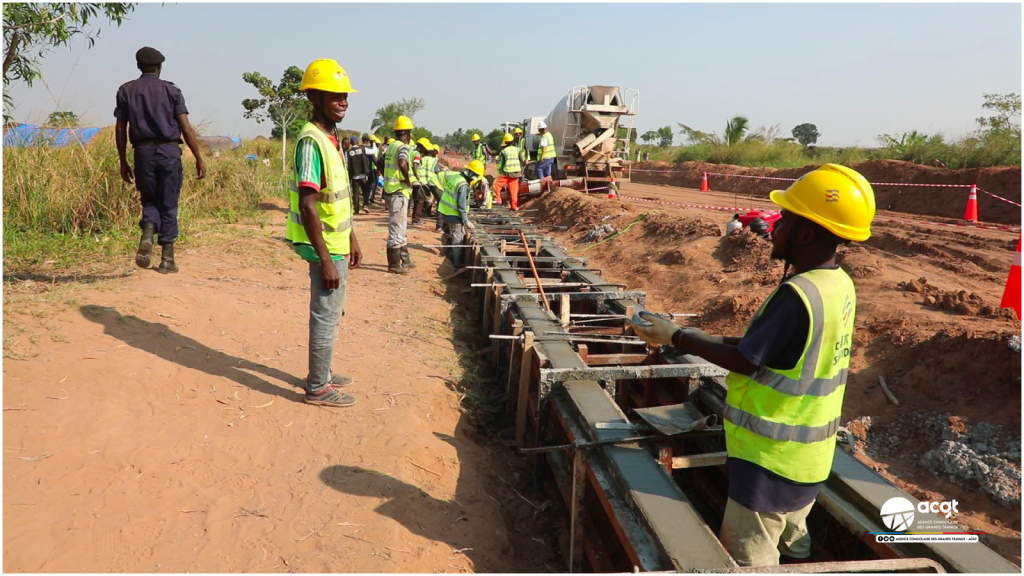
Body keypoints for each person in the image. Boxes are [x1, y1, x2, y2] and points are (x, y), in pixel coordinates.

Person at [630, 164, 876, 567]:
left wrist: (675, 338)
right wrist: (688, 333)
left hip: (770, 459)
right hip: (810, 456)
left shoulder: (797, 294)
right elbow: (770, 350)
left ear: (807, 233)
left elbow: (746, 360)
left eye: (784, 220)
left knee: (750, 558)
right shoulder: (837, 284)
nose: (772, 227)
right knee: (795, 543)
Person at [287, 58, 364, 407]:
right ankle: (318, 387)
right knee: (325, 314)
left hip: (337, 242)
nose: (343, 102)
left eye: (345, 96)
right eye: (335, 96)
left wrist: (352, 238)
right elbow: (309, 204)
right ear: (315, 98)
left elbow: (338, 197)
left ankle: (324, 371)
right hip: (324, 248)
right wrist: (326, 260)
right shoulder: (310, 141)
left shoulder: (331, 139)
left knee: (334, 313)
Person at [115, 46, 206, 274]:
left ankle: (148, 228)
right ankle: (167, 259)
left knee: (149, 201)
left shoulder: (126, 90)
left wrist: (123, 161)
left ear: (139, 66)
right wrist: (198, 157)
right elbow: (185, 127)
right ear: (159, 67)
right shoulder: (171, 91)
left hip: (142, 153)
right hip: (169, 153)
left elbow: (120, 128)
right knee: (169, 203)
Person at [380, 116, 416, 274]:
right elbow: (402, 164)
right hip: (398, 191)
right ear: (407, 133)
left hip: (390, 189)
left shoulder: (391, 146)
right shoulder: (402, 147)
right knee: (397, 227)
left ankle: (404, 259)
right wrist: (407, 180)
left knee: (401, 226)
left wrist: (385, 175)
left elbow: (378, 161)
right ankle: (394, 264)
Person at [437, 160, 484, 270]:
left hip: (446, 211)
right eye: (476, 176)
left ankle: (451, 256)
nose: (475, 178)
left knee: (455, 236)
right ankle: (457, 265)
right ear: (471, 173)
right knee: (458, 240)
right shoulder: (463, 184)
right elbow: (461, 205)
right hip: (453, 214)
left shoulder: (456, 177)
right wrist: (465, 220)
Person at [493, 133, 523, 210]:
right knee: (514, 191)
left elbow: (501, 163)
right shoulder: (518, 149)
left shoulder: (504, 151)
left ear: (505, 142)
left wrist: (500, 172)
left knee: (496, 184)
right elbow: (522, 160)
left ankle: (498, 199)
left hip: (507, 172)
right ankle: (514, 206)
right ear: (512, 141)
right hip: (516, 173)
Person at [347, 135, 373, 214]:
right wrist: (373, 143)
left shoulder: (348, 152)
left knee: (356, 193)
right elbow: (373, 151)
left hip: (354, 175)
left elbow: (346, 164)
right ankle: (365, 205)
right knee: (366, 190)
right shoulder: (363, 149)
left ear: (351, 143)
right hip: (363, 175)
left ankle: (356, 210)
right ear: (357, 142)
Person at [410, 137, 431, 225]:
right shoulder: (417, 154)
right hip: (415, 181)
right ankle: (416, 220)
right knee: (419, 201)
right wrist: (418, 177)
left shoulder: (411, 152)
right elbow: (415, 165)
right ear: (421, 146)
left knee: (416, 201)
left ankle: (416, 219)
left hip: (411, 179)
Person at [535, 121, 557, 192]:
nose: (539, 131)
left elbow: (544, 148)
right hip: (551, 157)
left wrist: (542, 156)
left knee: (538, 169)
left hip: (546, 157)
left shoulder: (544, 137)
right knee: (547, 173)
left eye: (539, 130)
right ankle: (550, 186)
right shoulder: (549, 135)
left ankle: (543, 186)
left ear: (541, 130)